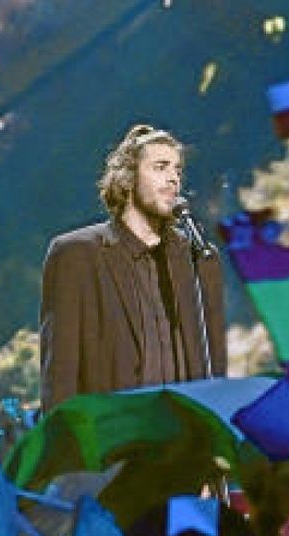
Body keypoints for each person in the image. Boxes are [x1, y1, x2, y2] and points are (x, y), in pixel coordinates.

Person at [39, 123, 227, 411]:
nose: (173, 179)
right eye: (160, 167)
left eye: (177, 170)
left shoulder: (196, 257)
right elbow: (60, 372)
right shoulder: (77, 254)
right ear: (127, 179)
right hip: (115, 437)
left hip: (185, 437)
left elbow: (214, 359)